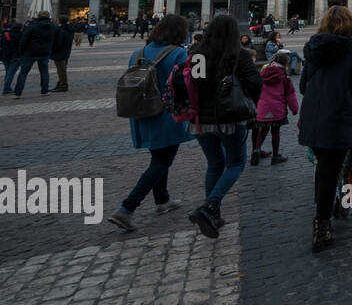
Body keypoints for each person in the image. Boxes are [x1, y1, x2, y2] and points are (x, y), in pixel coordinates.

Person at [108, 14, 194, 231]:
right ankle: (126, 209)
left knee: (159, 156)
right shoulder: (179, 53)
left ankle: (162, 200)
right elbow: (186, 83)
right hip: (165, 114)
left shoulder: (138, 53)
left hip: (141, 112)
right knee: (161, 161)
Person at [298, 5, 352, 252]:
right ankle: (322, 225)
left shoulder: (312, 49)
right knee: (333, 171)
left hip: (313, 116)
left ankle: (327, 210)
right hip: (338, 117)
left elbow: (302, 86)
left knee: (324, 169)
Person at [187, 13, 263, 238]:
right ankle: (210, 205)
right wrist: (250, 102)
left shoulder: (198, 55)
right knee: (236, 163)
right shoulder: (237, 54)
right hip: (230, 117)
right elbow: (255, 83)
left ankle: (214, 215)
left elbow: (196, 84)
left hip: (202, 119)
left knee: (214, 164)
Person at [251, 52, 298, 166]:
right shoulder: (285, 78)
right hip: (277, 109)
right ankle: (276, 156)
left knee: (263, 130)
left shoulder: (263, 74)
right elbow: (290, 96)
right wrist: (295, 109)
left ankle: (256, 150)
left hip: (263, 108)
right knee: (275, 132)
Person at [12, 10, 57, 98]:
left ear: (38, 16)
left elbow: (24, 40)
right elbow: (57, 40)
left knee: (23, 73)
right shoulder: (53, 27)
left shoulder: (32, 27)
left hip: (29, 53)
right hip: (45, 52)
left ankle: (17, 93)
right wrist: (51, 49)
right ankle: (44, 91)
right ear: (49, 17)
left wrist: (22, 51)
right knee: (44, 72)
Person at [50, 14, 74, 92]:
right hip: (66, 52)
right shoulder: (68, 29)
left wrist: (53, 49)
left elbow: (58, 42)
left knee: (61, 70)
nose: (56, 21)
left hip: (60, 52)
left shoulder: (61, 30)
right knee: (62, 69)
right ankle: (60, 83)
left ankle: (63, 85)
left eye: (57, 20)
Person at [1, 18, 24, 95]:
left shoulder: (5, 34)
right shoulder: (21, 35)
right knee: (10, 73)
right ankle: (6, 88)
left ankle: (8, 87)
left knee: (8, 72)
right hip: (15, 56)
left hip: (5, 56)